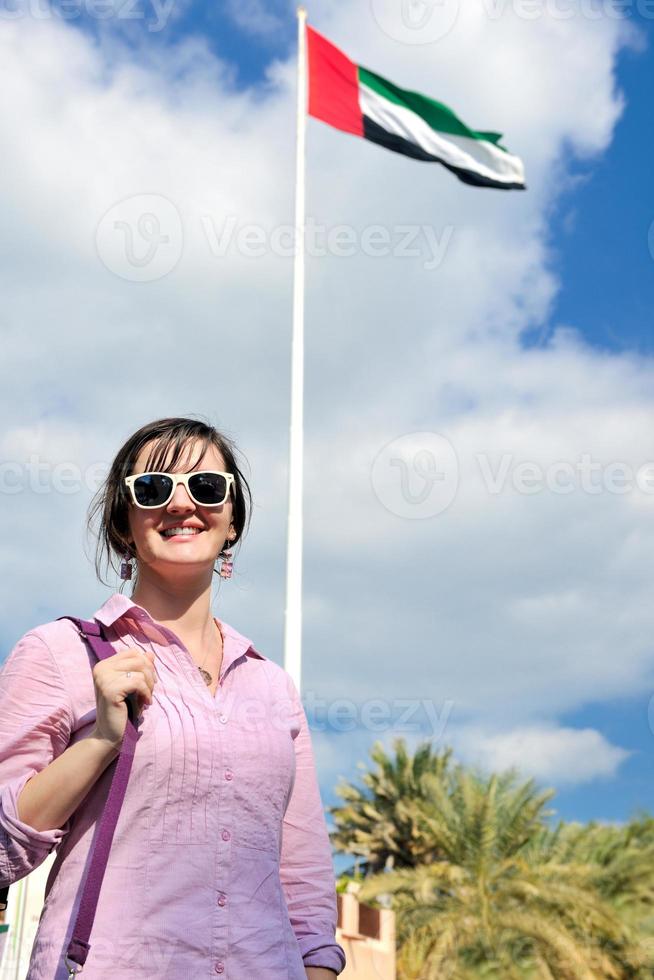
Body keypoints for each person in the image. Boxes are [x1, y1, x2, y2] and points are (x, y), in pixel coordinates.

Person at [0, 416, 346, 979]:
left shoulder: (271, 685)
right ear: (123, 524)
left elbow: (303, 874)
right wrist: (101, 743)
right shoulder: (57, 652)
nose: (183, 504)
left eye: (207, 488)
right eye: (154, 488)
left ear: (232, 520)